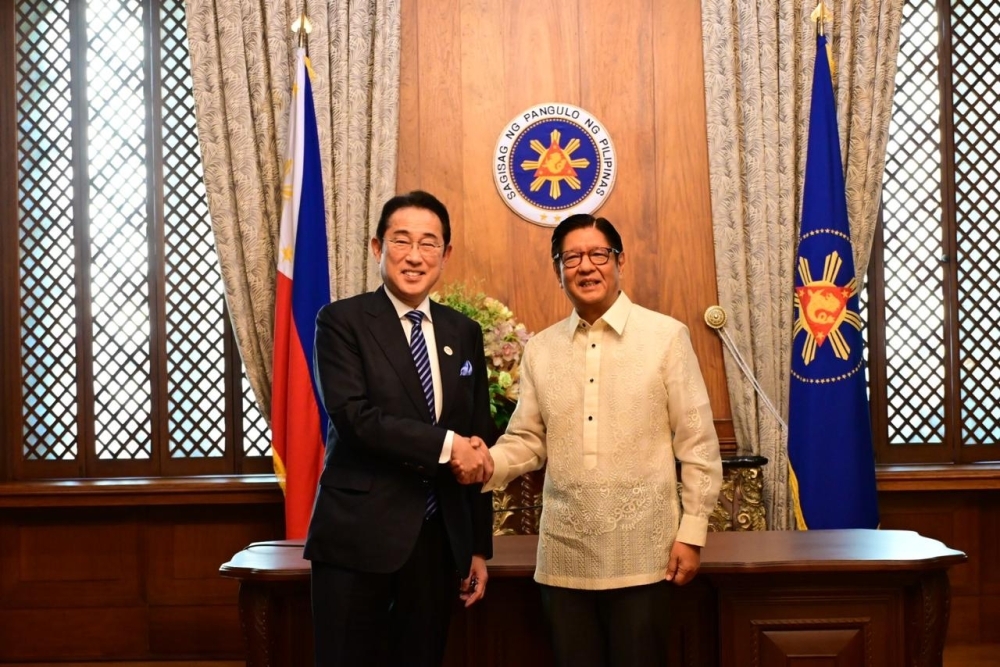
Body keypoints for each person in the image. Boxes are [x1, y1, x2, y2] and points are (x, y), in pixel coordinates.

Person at [458, 213, 723, 667]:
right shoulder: (541, 349)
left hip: (646, 552)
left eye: (598, 254)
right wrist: (487, 462)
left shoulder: (666, 338)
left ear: (620, 261)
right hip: (564, 557)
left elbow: (697, 443)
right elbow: (528, 439)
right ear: (558, 270)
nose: (586, 266)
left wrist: (693, 532)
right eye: (572, 258)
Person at [304, 190, 496, 667]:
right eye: (401, 240)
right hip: (357, 538)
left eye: (429, 243)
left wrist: (477, 546)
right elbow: (355, 418)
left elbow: (478, 438)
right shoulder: (342, 321)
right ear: (377, 247)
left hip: (436, 542)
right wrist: (448, 445)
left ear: (445, 254)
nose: (415, 256)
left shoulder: (463, 332)